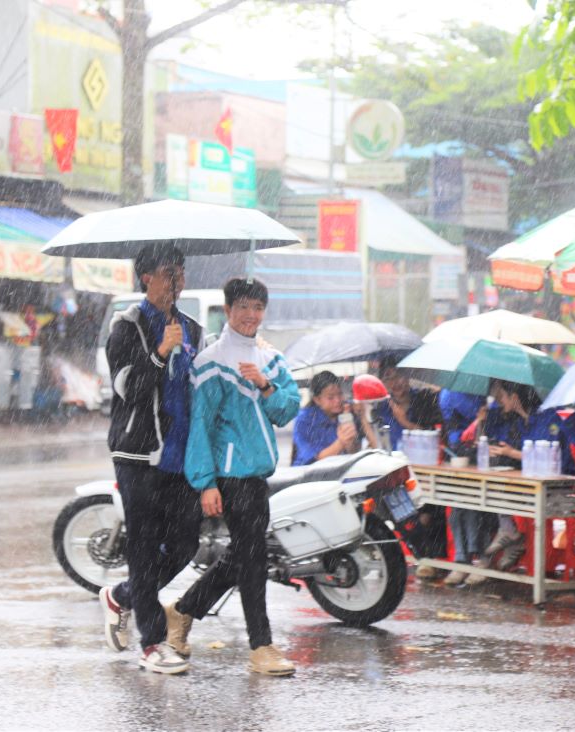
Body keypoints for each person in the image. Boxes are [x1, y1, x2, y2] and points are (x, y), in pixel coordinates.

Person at [165, 278, 301, 676]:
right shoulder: (210, 363)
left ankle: (183, 610)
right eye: (242, 306)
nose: (250, 315)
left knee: (244, 554)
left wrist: (265, 385)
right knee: (254, 557)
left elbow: (287, 410)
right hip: (229, 474)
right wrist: (205, 482)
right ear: (227, 310)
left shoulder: (271, 359)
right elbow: (201, 427)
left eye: (257, 307)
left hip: (258, 472)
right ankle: (262, 646)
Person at [98, 243, 204, 675]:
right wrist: (160, 352)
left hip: (182, 458)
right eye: (167, 272)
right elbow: (129, 390)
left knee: (185, 545)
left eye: (180, 270)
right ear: (146, 278)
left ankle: (123, 596)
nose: (176, 279)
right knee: (143, 551)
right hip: (138, 455)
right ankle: (153, 643)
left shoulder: (194, 329)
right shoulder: (128, 326)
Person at [458, 379, 540, 584]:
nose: (497, 400)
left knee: (486, 504)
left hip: (535, 482)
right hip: (508, 477)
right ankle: (472, 559)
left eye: (500, 395)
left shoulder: (540, 419)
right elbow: (481, 444)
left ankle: (490, 557)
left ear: (514, 397)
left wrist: (511, 453)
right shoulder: (505, 417)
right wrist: (481, 422)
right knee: (469, 502)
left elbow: (544, 456)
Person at [372, 356, 448, 575]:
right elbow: (379, 445)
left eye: (401, 376)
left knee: (431, 505)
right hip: (397, 474)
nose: (397, 383)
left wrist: (405, 422)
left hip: (426, 471)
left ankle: (431, 556)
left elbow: (434, 436)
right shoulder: (380, 409)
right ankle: (419, 555)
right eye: (389, 378)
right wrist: (365, 419)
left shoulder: (425, 399)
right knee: (394, 502)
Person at [439, 388, 491, 585]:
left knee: (481, 507)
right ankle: (462, 558)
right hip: (463, 458)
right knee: (457, 509)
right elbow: (456, 438)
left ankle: (483, 559)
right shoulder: (448, 395)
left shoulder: (489, 393)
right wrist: (477, 423)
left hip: (493, 463)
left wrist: (486, 420)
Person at [292, 370, 377, 466]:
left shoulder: (348, 410)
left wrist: (362, 416)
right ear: (317, 400)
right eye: (330, 397)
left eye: (340, 394)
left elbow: (362, 450)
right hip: (310, 474)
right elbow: (318, 459)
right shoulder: (304, 420)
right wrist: (341, 442)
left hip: (340, 470)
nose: (337, 400)